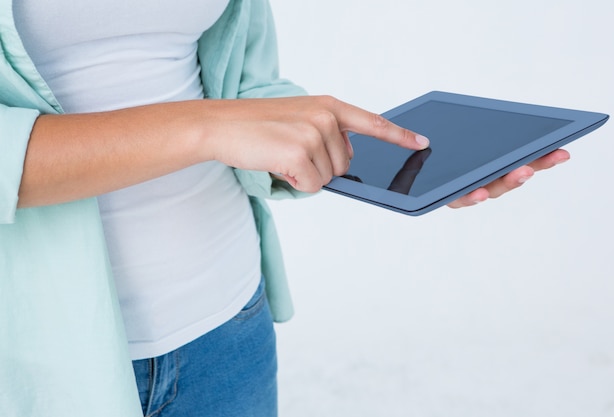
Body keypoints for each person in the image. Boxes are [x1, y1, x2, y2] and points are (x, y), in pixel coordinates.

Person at [0, 0, 570, 416]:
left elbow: (238, 85)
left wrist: (358, 149)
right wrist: (205, 127)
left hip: (226, 327)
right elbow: (215, 121)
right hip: (33, 363)